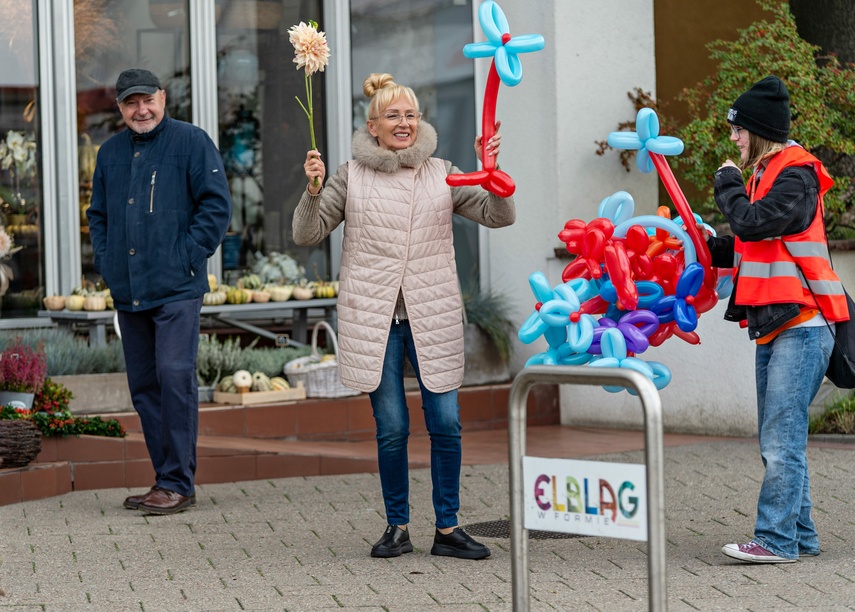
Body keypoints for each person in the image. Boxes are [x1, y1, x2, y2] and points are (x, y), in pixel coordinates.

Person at [292, 73, 516, 559]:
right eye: (392, 116)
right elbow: (309, 234)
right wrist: (311, 189)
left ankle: (449, 528)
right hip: (374, 318)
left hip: (430, 312)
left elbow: (499, 216)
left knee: (446, 424)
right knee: (391, 427)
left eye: (411, 115)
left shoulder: (443, 172)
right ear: (372, 126)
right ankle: (397, 526)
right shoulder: (350, 175)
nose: (403, 123)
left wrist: (492, 171)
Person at [705, 75, 849, 563]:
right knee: (783, 437)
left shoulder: (797, 176)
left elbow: (752, 222)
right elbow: (751, 243)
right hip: (779, 325)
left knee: (780, 439)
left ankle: (775, 541)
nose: (733, 140)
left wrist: (726, 184)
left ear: (759, 131)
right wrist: (708, 244)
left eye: (738, 130)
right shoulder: (766, 177)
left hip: (805, 326)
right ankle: (800, 537)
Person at [87, 68, 232, 515]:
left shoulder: (191, 141)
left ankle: (176, 483)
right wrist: (109, 263)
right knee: (146, 386)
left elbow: (216, 205)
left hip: (176, 288)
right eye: (131, 103)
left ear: (163, 98)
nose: (141, 109)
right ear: (120, 108)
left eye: (147, 100)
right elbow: (98, 216)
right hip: (129, 289)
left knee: (174, 378)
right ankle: (166, 480)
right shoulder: (109, 152)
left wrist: (188, 256)